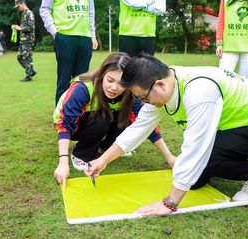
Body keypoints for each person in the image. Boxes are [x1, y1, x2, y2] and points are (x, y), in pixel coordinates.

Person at [86, 54, 248, 216]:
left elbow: (198, 147)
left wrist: (170, 203)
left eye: (142, 98)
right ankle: (220, 165)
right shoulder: (163, 83)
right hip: (231, 127)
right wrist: (103, 159)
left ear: (160, 86)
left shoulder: (199, 92)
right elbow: (139, 128)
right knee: (194, 180)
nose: (143, 103)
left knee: (204, 160)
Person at [53, 52, 175, 190]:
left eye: (121, 83)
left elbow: (147, 125)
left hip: (101, 120)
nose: (114, 88)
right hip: (74, 127)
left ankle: (106, 148)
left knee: (128, 118)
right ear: (102, 74)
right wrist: (63, 162)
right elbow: (65, 124)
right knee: (103, 117)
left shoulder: (131, 92)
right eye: (110, 80)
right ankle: (81, 154)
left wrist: (169, 157)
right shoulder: (83, 88)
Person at [40, 0, 98, 104]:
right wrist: (55, 32)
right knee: (64, 79)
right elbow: (44, 9)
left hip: (84, 37)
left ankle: (79, 113)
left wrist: (92, 35)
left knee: (83, 81)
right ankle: (61, 116)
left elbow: (90, 10)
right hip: (65, 36)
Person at [12, 0, 37, 82]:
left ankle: (29, 76)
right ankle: (31, 71)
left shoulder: (29, 13)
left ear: (22, 3)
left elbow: (31, 27)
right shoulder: (24, 14)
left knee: (27, 58)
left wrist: (20, 28)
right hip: (23, 40)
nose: (18, 8)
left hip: (28, 41)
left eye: (18, 6)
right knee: (19, 57)